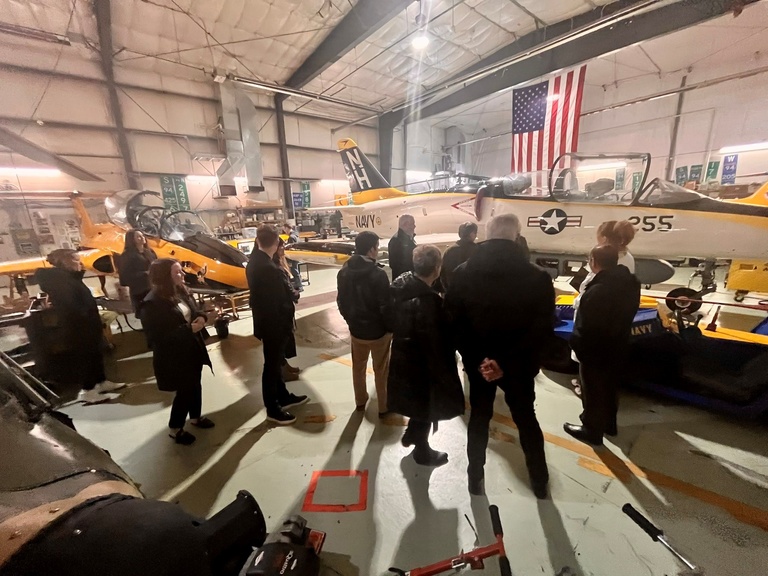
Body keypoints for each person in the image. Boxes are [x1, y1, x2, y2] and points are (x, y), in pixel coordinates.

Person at [445, 214, 554, 499]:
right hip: (517, 366)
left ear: (485, 235)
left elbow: (454, 323)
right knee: (526, 419)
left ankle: (474, 478)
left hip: (478, 364)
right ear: (517, 236)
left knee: (479, 418)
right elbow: (542, 328)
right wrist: (504, 363)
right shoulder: (538, 277)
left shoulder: (461, 273)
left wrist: (481, 359)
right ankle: (539, 482)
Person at [388, 245, 464, 466]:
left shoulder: (402, 286)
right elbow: (435, 341)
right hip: (424, 364)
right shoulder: (430, 303)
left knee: (416, 402)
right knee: (427, 404)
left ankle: (412, 433)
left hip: (403, 357)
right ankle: (422, 451)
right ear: (437, 268)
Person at [565, 245, 640, 445]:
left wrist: (577, 346)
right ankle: (609, 424)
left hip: (595, 351)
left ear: (593, 261)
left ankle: (591, 430)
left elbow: (587, 327)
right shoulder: (629, 283)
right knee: (609, 388)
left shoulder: (598, 291)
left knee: (593, 391)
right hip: (618, 344)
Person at [34, 249, 125, 404]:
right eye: (76, 260)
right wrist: (85, 315)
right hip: (79, 327)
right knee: (85, 358)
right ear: (65, 261)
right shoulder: (59, 281)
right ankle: (88, 390)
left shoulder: (69, 278)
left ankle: (101, 382)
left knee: (95, 354)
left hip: (88, 324)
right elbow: (71, 306)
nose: (80, 263)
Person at [140, 259, 214, 445]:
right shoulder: (152, 303)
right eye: (177, 273)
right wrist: (190, 330)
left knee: (195, 384)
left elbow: (195, 311)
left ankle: (195, 417)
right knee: (184, 391)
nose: (182, 275)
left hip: (191, 348)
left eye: (181, 271)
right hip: (174, 355)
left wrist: (203, 318)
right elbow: (157, 337)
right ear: (165, 277)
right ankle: (175, 428)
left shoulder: (179, 290)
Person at [247, 224, 308, 425]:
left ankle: (282, 396)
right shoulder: (268, 268)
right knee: (271, 366)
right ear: (276, 242)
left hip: (266, 322)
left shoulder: (255, 261)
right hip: (274, 324)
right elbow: (277, 300)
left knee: (276, 362)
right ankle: (273, 408)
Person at [571, 220, 636, 395]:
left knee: (593, 371)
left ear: (605, 238)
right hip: (610, 328)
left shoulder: (611, 262)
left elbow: (591, 289)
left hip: (598, 331)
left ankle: (589, 397)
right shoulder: (623, 258)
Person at [336, 231, 392, 416]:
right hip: (378, 332)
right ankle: (384, 406)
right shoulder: (378, 274)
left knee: (358, 367)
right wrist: (390, 328)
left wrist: (350, 321)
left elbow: (341, 302)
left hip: (356, 331)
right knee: (381, 370)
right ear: (371, 249)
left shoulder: (343, 272)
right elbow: (385, 306)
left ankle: (360, 401)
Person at [273, 237, 301, 382]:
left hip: (285, 308)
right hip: (281, 310)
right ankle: (283, 370)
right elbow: (284, 287)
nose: (283, 250)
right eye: (281, 247)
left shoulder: (277, 264)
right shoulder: (274, 267)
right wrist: (295, 293)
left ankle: (285, 365)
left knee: (285, 340)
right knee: (282, 341)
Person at [118, 229, 157, 314]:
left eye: (142, 235)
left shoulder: (150, 252)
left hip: (153, 288)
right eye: (138, 236)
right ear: (132, 240)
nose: (142, 238)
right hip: (139, 291)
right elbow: (125, 277)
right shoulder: (126, 256)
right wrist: (145, 274)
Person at [440, 222, 478, 290]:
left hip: (454, 291)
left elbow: (443, 274)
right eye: (475, 233)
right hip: (474, 291)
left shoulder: (449, 251)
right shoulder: (478, 250)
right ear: (471, 234)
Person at [388, 214, 416, 280]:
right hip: (404, 280)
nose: (414, 226)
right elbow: (395, 264)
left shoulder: (408, 238)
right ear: (405, 225)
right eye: (412, 224)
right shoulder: (396, 241)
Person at [282, 222, 303, 292]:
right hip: (297, 255)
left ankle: (299, 286)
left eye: (284, 229)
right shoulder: (295, 234)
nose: (284, 231)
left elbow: (292, 247)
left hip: (294, 256)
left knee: (294, 271)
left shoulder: (291, 237)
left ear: (287, 228)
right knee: (295, 270)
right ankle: (298, 284)